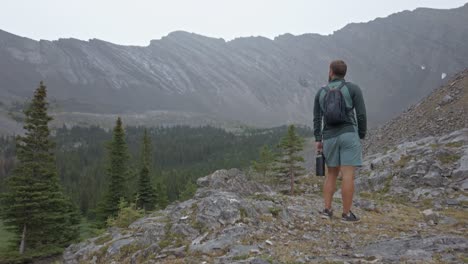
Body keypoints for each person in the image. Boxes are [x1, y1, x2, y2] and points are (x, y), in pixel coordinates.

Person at [313, 60, 367, 223]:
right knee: (348, 175)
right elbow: (361, 114)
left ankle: (327, 210)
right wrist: (361, 134)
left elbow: (317, 118)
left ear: (331, 72)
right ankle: (346, 214)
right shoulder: (353, 89)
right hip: (349, 134)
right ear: (344, 73)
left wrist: (318, 139)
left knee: (331, 174)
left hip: (329, 137)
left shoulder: (321, 92)